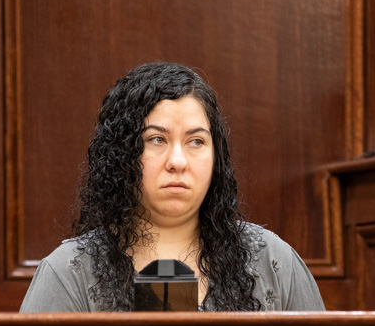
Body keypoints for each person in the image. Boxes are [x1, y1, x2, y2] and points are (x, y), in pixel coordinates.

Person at [20, 62, 325, 312]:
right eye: (157, 139)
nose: (178, 161)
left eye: (196, 141)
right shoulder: (68, 272)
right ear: (121, 153)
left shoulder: (273, 260)